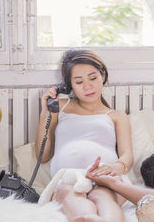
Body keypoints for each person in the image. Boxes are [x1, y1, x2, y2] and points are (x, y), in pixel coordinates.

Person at [35, 49, 133, 222]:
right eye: (79, 82)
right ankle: (88, 218)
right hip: (68, 179)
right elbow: (42, 157)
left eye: (93, 78)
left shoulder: (116, 116)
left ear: (103, 75)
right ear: (69, 86)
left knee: (103, 197)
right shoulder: (60, 107)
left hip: (104, 178)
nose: (88, 87)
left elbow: (127, 156)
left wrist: (114, 168)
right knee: (67, 194)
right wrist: (46, 113)